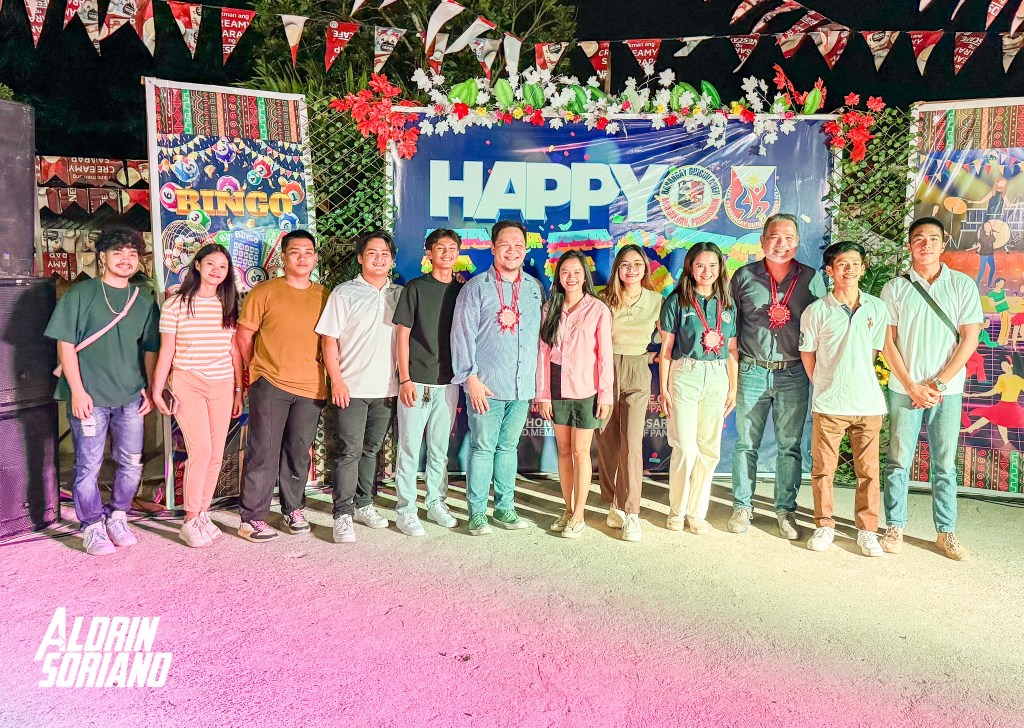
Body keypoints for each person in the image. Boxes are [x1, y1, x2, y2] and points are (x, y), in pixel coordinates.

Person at [44, 228, 160, 556]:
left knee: (132, 462)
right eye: (118, 252)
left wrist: (149, 388)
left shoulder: (144, 301)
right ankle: (92, 523)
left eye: (133, 254)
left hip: (130, 397)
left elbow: (150, 349)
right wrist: (77, 391)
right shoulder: (80, 294)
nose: (126, 260)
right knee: (88, 465)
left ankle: (118, 514)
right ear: (103, 257)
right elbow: (65, 345)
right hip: (89, 398)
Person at [881, 217, 983, 561]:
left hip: (947, 391)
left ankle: (946, 532)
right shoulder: (895, 288)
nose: (926, 244)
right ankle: (895, 525)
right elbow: (887, 341)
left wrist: (938, 383)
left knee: (944, 463)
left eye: (933, 239)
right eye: (919, 239)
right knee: (898, 460)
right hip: (904, 388)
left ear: (943, 244)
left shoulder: (962, 285)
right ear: (909, 245)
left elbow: (970, 338)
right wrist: (912, 385)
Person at [729, 214, 826, 539]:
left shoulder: (810, 278)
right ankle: (742, 506)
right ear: (762, 241)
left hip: (793, 372)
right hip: (752, 369)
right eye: (774, 237)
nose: (781, 244)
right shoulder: (743, 276)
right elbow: (729, 328)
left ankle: (785, 511)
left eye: (788, 238)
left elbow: (824, 324)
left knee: (789, 446)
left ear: (797, 241)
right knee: (746, 444)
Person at [451, 220, 544, 536]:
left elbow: (538, 339)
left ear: (525, 249)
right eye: (505, 244)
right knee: (482, 448)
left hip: (521, 386)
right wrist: (470, 378)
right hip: (485, 387)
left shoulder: (533, 288)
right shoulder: (476, 287)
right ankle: (477, 513)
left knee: (508, 448)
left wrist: (535, 384)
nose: (512, 251)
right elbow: (461, 335)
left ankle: (505, 508)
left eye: (518, 245)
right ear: (492, 248)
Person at [236, 230, 329, 542]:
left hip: (311, 387)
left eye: (308, 252)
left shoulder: (325, 296)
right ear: (283, 257)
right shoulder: (264, 292)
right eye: (295, 252)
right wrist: (257, 370)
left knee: (298, 452)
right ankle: (252, 517)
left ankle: (293, 509)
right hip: (271, 383)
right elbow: (244, 336)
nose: (302, 257)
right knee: (263, 451)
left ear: (315, 258)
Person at [150, 244, 245, 547]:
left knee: (216, 453)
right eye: (211, 264)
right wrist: (157, 389)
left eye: (223, 266)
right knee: (201, 450)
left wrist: (239, 390)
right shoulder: (176, 304)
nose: (217, 271)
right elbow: (167, 350)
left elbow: (234, 351)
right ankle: (190, 519)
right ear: (198, 266)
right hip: (187, 382)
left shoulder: (228, 303)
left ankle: (203, 513)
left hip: (223, 384)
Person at [798, 241, 889, 557]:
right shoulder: (816, 311)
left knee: (869, 472)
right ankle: (824, 525)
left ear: (863, 268)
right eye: (841, 264)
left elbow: (874, 351)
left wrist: (854, 378)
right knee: (823, 470)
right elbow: (808, 354)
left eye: (855, 263)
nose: (849, 269)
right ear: (830, 270)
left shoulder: (877, 308)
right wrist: (826, 384)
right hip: (829, 404)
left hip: (868, 404)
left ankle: (867, 530)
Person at [316, 231, 401, 543]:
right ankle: (342, 514)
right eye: (372, 253)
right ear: (360, 258)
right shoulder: (344, 293)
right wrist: (337, 380)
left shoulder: (400, 294)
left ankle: (365, 504)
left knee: (371, 450)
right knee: (349, 451)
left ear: (392, 260)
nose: (379, 258)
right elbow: (329, 340)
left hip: (387, 389)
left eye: (385, 254)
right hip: (351, 388)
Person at [658, 243, 738, 535]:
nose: (707, 271)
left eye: (712, 265)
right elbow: (666, 350)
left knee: (709, 449)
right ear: (690, 268)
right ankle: (677, 510)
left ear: (720, 268)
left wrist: (733, 387)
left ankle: (696, 513)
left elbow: (732, 349)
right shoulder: (676, 301)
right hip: (686, 373)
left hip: (717, 375)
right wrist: (664, 388)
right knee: (685, 448)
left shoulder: (727, 303)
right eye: (700, 265)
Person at [536, 252, 613, 539]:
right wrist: (543, 394)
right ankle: (568, 510)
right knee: (564, 450)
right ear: (558, 277)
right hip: (556, 387)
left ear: (584, 276)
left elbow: (604, 356)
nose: (571, 277)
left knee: (581, 452)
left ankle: (579, 514)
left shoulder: (598, 309)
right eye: (565, 272)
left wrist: (605, 395)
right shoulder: (550, 308)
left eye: (576, 272)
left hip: (586, 389)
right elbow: (542, 354)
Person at [392, 229, 463, 536]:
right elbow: (402, 335)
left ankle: (435, 502)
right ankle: (406, 509)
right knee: (409, 448)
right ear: (429, 253)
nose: (446, 253)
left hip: (449, 383)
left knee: (439, 450)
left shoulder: (463, 291)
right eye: (440, 248)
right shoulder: (415, 288)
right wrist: (405, 378)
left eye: (452, 248)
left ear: (458, 253)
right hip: (416, 382)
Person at [595, 244, 661, 542]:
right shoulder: (603, 298)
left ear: (645, 268)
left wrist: (652, 356)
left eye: (637, 264)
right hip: (605, 370)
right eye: (625, 264)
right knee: (607, 441)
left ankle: (632, 512)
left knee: (632, 443)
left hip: (637, 369)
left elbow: (667, 339)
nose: (631, 269)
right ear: (617, 269)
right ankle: (614, 503)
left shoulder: (656, 300)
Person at [962, 353, 1024, 448]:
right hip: (1002, 404)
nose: (1003, 367)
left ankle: (1005, 441)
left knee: (997, 420)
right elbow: (994, 391)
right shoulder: (1002, 377)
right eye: (1002, 365)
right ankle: (1005, 441)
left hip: (1012, 406)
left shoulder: (1018, 380)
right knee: (990, 417)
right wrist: (974, 394)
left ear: (1011, 365)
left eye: (1004, 365)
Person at [987, 278, 1011, 346]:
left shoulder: (1003, 291)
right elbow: (992, 304)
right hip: (1001, 311)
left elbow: (1006, 300)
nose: (1002, 284)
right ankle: (1000, 342)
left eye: (1003, 283)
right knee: (1004, 326)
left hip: (1007, 310)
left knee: (1008, 326)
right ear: (997, 283)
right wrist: (1002, 300)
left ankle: (1005, 342)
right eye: (1001, 283)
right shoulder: (991, 293)